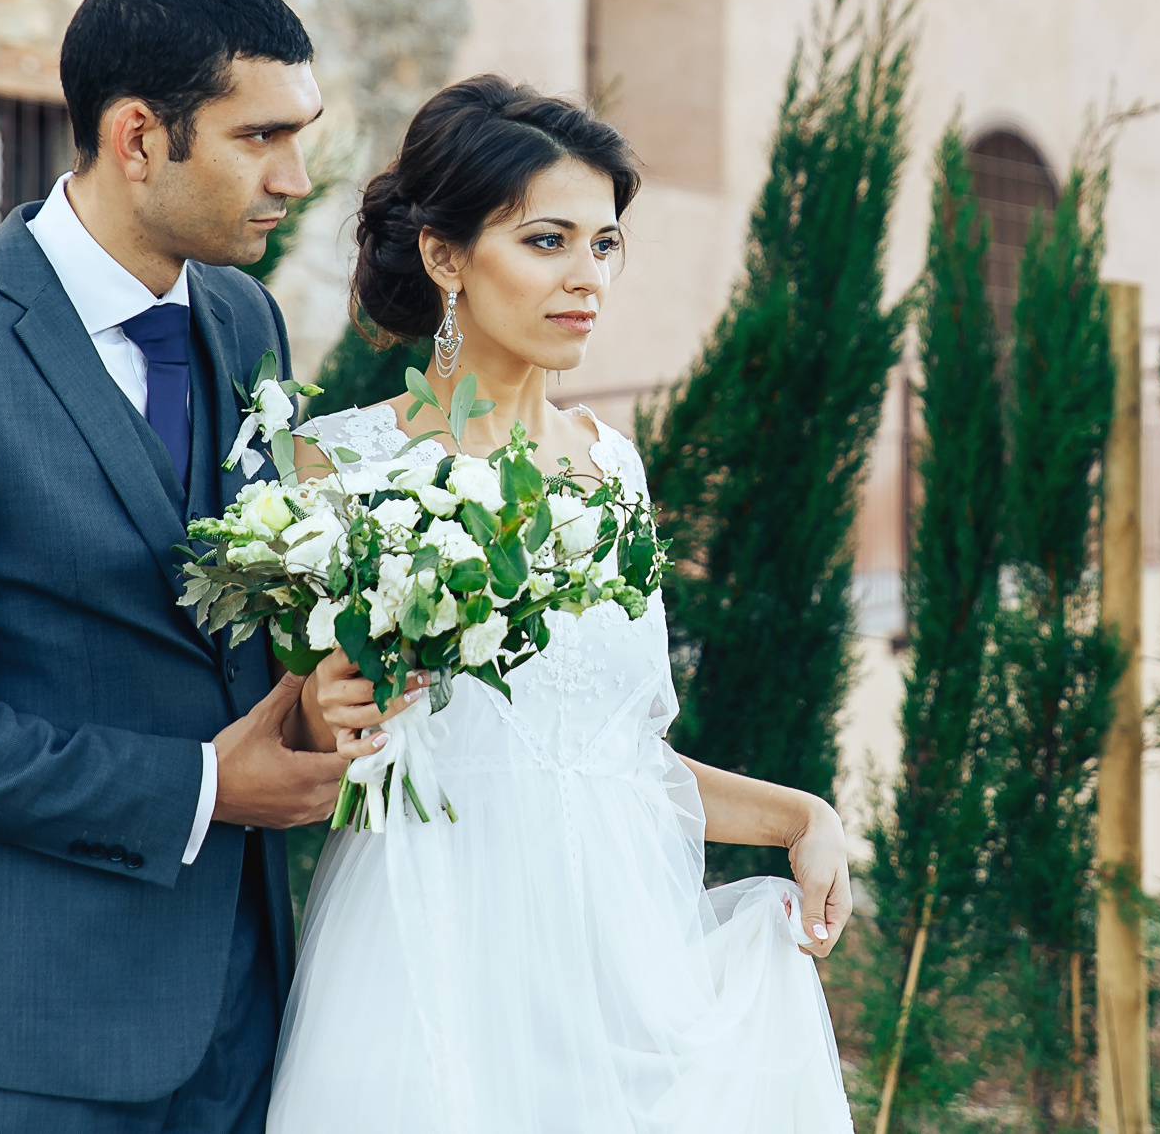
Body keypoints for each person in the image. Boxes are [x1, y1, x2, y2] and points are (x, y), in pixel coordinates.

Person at [0, 0, 389, 1133]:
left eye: (304, 133)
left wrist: (320, 688)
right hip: (28, 1029)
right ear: (137, 137)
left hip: (246, 1007)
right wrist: (200, 787)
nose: (297, 176)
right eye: (259, 138)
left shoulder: (244, 317)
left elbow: (231, 619)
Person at [266, 76, 856, 1131]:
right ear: (446, 255)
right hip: (430, 956)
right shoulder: (338, 470)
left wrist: (800, 818)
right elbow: (301, 741)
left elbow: (621, 763)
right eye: (547, 241)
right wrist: (324, 711)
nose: (586, 277)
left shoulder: (611, 467)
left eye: (605, 243)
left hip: (624, 971)